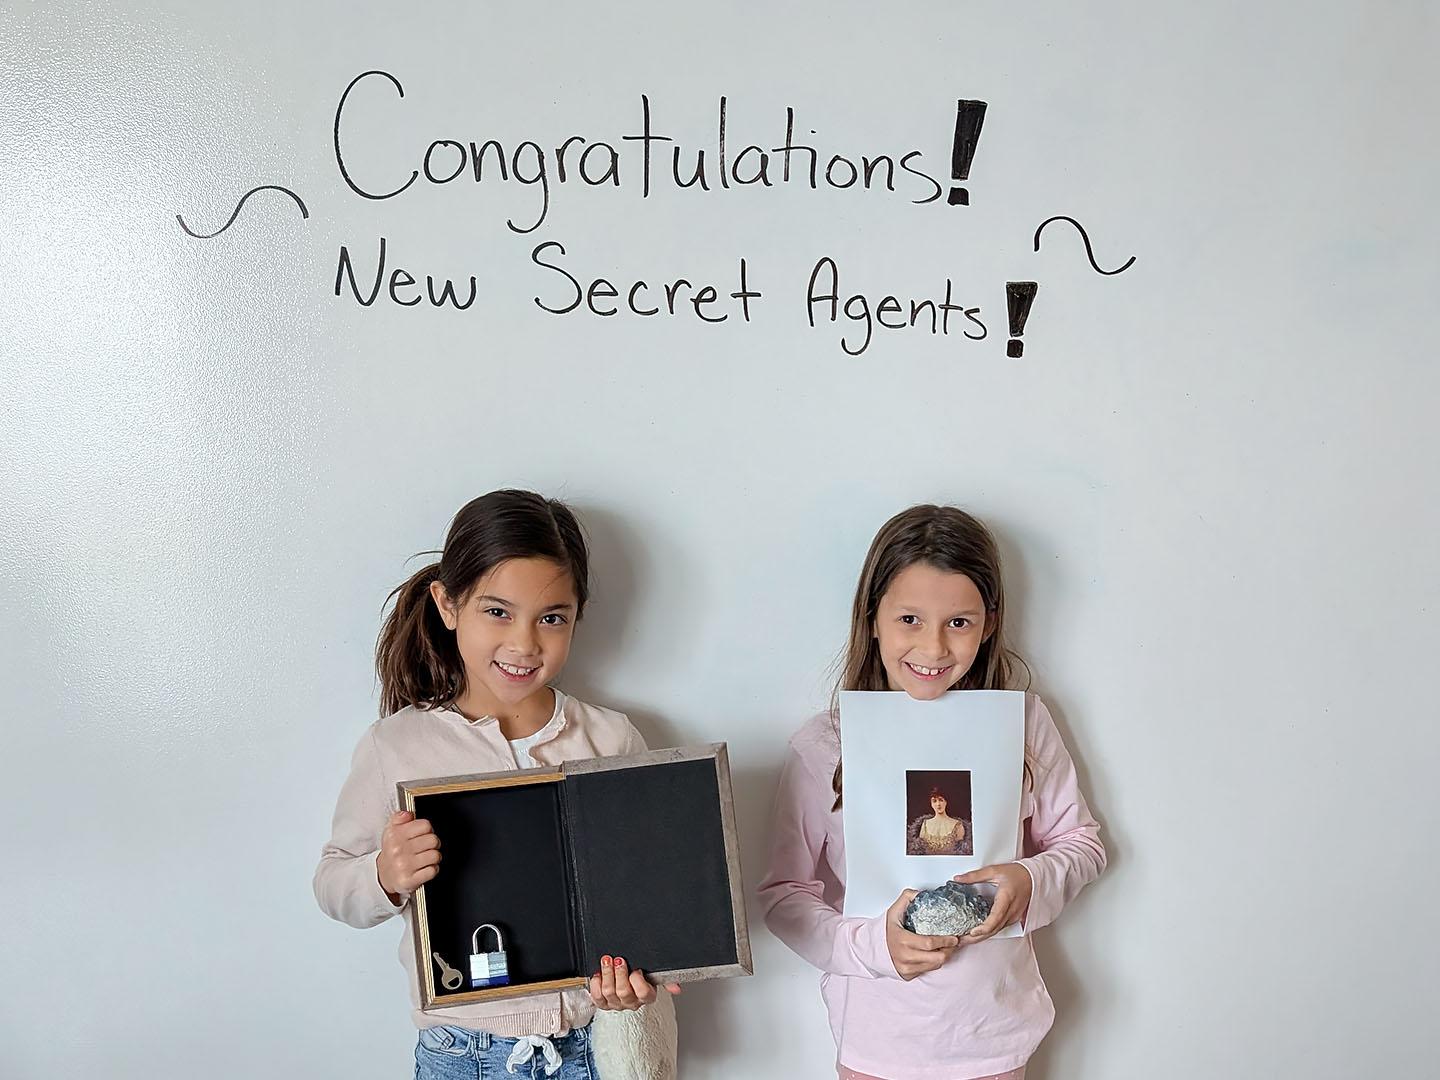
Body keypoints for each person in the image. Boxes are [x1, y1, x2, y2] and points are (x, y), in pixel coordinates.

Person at [313, 489, 677, 1079]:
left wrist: (651, 966)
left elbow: (645, 886)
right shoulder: (397, 746)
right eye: (497, 611)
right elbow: (332, 883)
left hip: (592, 1044)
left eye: (552, 618)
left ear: (578, 616)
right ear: (448, 604)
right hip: (465, 1053)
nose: (524, 643)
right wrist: (384, 873)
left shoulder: (611, 739)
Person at [758, 504, 1107, 1080]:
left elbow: (1082, 844)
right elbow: (783, 894)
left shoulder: (1024, 723)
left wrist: (1027, 879)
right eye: (910, 620)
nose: (935, 648)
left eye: (959, 623)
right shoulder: (824, 745)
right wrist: (873, 948)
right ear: (872, 618)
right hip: (879, 1041)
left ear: (989, 623)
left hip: (993, 1034)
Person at [906, 787, 972, 856]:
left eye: (941, 800)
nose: (938, 804)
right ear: (931, 804)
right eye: (934, 801)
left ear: (946, 802)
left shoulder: (958, 825)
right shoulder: (924, 824)